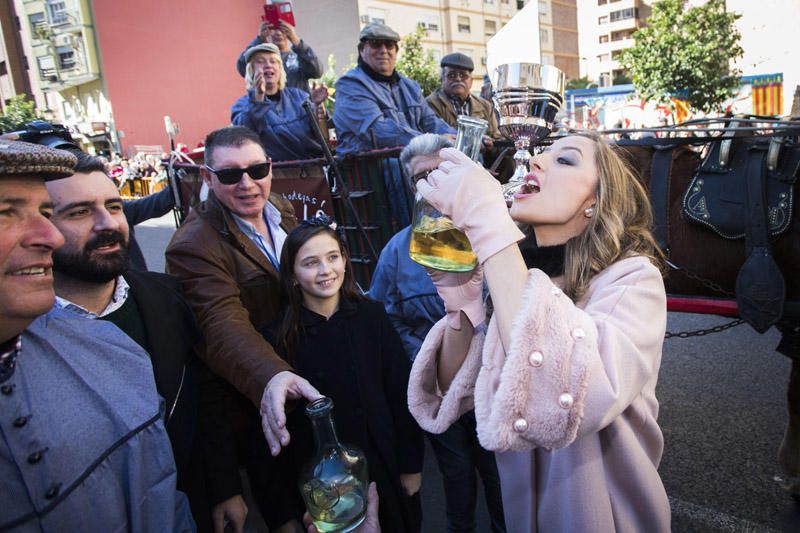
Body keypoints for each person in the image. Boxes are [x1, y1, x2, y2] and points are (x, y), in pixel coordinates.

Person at [407, 133, 671, 531]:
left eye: (565, 160)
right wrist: (460, 305)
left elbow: (578, 392)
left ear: (596, 200)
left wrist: (489, 224)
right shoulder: (517, 279)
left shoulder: (633, 278)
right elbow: (451, 395)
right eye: (540, 155)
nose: (536, 162)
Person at [45, 150, 246, 533]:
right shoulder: (23, 337)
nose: (107, 223)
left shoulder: (165, 297)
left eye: (114, 206)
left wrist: (224, 487)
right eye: (79, 212)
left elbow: (205, 399)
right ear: (41, 228)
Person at [0, 140, 194, 531]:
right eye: (6, 213)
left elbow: (160, 496)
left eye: (44, 212)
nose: (48, 236)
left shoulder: (120, 350)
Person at [165, 127, 321, 494]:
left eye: (257, 170)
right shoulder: (192, 246)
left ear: (270, 167)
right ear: (207, 177)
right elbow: (220, 323)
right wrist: (272, 377)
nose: (247, 183)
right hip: (258, 405)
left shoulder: (279, 208)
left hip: (309, 374)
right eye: (231, 175)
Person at [368, 134, 506, 533]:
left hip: (488, 386)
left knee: (500, 482)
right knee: (457, 481)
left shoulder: (491, 234)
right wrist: (427, 362)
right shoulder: (396, 251)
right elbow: (385, 319)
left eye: (438, 171)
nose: (430, 184)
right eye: (420, 178)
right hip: (439, 389)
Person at [260, 216, 423, 533]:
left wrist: (411, 466)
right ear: (292, 275)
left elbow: (401, 393)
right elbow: (269, 436)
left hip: (382, 467)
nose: (325, 270)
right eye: (310, 263)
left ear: (345, 261)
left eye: (333, 257)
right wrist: (281, 514)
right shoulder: (277, 338)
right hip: (321, 487)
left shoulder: (372, 317)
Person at [332, 22, 454, 157]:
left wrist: (463, 139)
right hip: (369, 167)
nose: (383, 50)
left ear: (395, 51)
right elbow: (378, 132)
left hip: (410, 160)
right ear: (361, 50)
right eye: (375, 44)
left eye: (389, 45)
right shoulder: (350, 85)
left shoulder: (410, 87)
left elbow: (431, 122)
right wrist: (433, 142)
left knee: (465, 157)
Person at [231, 43, 328, 162]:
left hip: (313, 169)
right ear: (251, 71)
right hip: (275, 174)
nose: (268, 65)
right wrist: (259, 97)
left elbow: (323, 135)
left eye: (273, 61)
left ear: (280, 69)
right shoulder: (241, 105)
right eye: (260, 61)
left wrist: (318, 105)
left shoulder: (299, 96)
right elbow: (244, 138)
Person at [426, 53, 512, 181]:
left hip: (483, 163)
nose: (458, 79)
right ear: (442, 79)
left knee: (508, 162)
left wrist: (496, 145)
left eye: (463, 75)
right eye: (452, 75)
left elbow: (496, 138)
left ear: (471, 81)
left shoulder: (485, 106)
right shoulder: (430, 104)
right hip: (448, 164)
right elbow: (435, 143)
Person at [236, 19, 323, 94]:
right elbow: (242, 67)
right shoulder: (262, 58)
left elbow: (317, 71)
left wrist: (297, 42)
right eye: (274, 29)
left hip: (299, 110)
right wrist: (259, 40)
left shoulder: (299, 55)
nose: (278, 33)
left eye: (282, 28)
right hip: (271, 109)